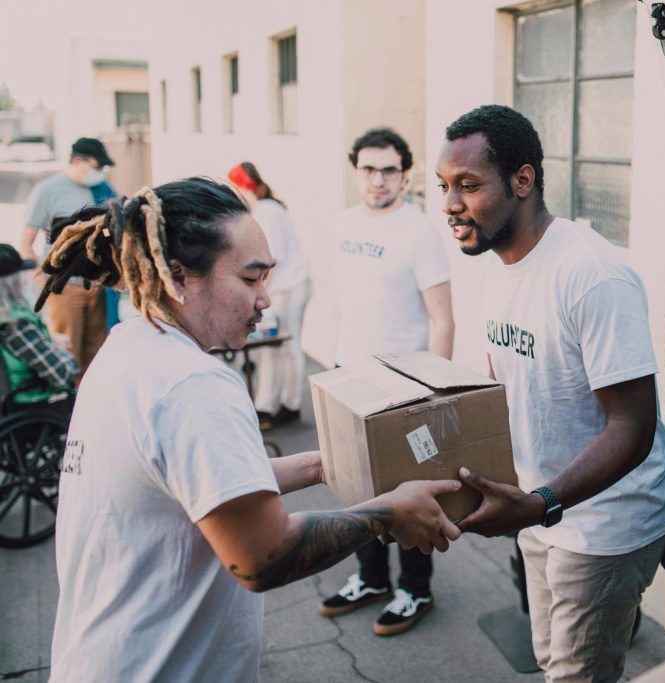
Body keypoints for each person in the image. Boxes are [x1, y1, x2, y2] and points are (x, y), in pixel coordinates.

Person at [43, 177, 462, 681]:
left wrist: (319, 465)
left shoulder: (130, 350)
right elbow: (262, 557)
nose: (265, 299)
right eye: (250, 280)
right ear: (179, 276)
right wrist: (385, 514)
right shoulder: (194, 385)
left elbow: (201, 481)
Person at [435, 105, 665, 683]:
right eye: (443, 187)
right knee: (552, 658)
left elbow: (632, 426)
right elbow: (507, 384)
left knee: (576, 676)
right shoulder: (496, 263)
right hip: (541, 508)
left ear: (523, 180)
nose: (450, 204)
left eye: (468, 185)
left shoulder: (591, 274)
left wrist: (541, 501)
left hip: (603, 523)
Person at [318, 128, 455, 636]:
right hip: (348, 378)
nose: (378, 179)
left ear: (405, 174)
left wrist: (435, 398)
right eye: (369, 169)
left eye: (389, 170)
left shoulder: (418, 230)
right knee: (357, 491)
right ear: (356, 170)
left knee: (413, 494)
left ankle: (415, 589)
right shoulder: (342, 223)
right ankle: (372, 579)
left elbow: (442, 318)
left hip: (405, 388)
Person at [19, 137, 117, 378]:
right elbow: (26, 244)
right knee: (67, 353)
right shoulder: (48, 191)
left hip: (99, 288)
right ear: (76, 161)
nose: (99, 173)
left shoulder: (103, 191)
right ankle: (68, 410)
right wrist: (46, 285)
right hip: (65, 289)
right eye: (95, 167)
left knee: (98, 356)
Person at [227, 162, 311, 430]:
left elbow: (270, 261)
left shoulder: (268, 212)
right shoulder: (262, 210)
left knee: (288, 345)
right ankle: (268, 404)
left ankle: (291, 404)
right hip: (282, 285)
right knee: (272, 348)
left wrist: (255, 291)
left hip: (290, 285)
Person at [0, 243, 77, 414]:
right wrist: (61, 350)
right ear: (12, 283)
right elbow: (62, 374)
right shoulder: (15, 325)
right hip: (29, 405)